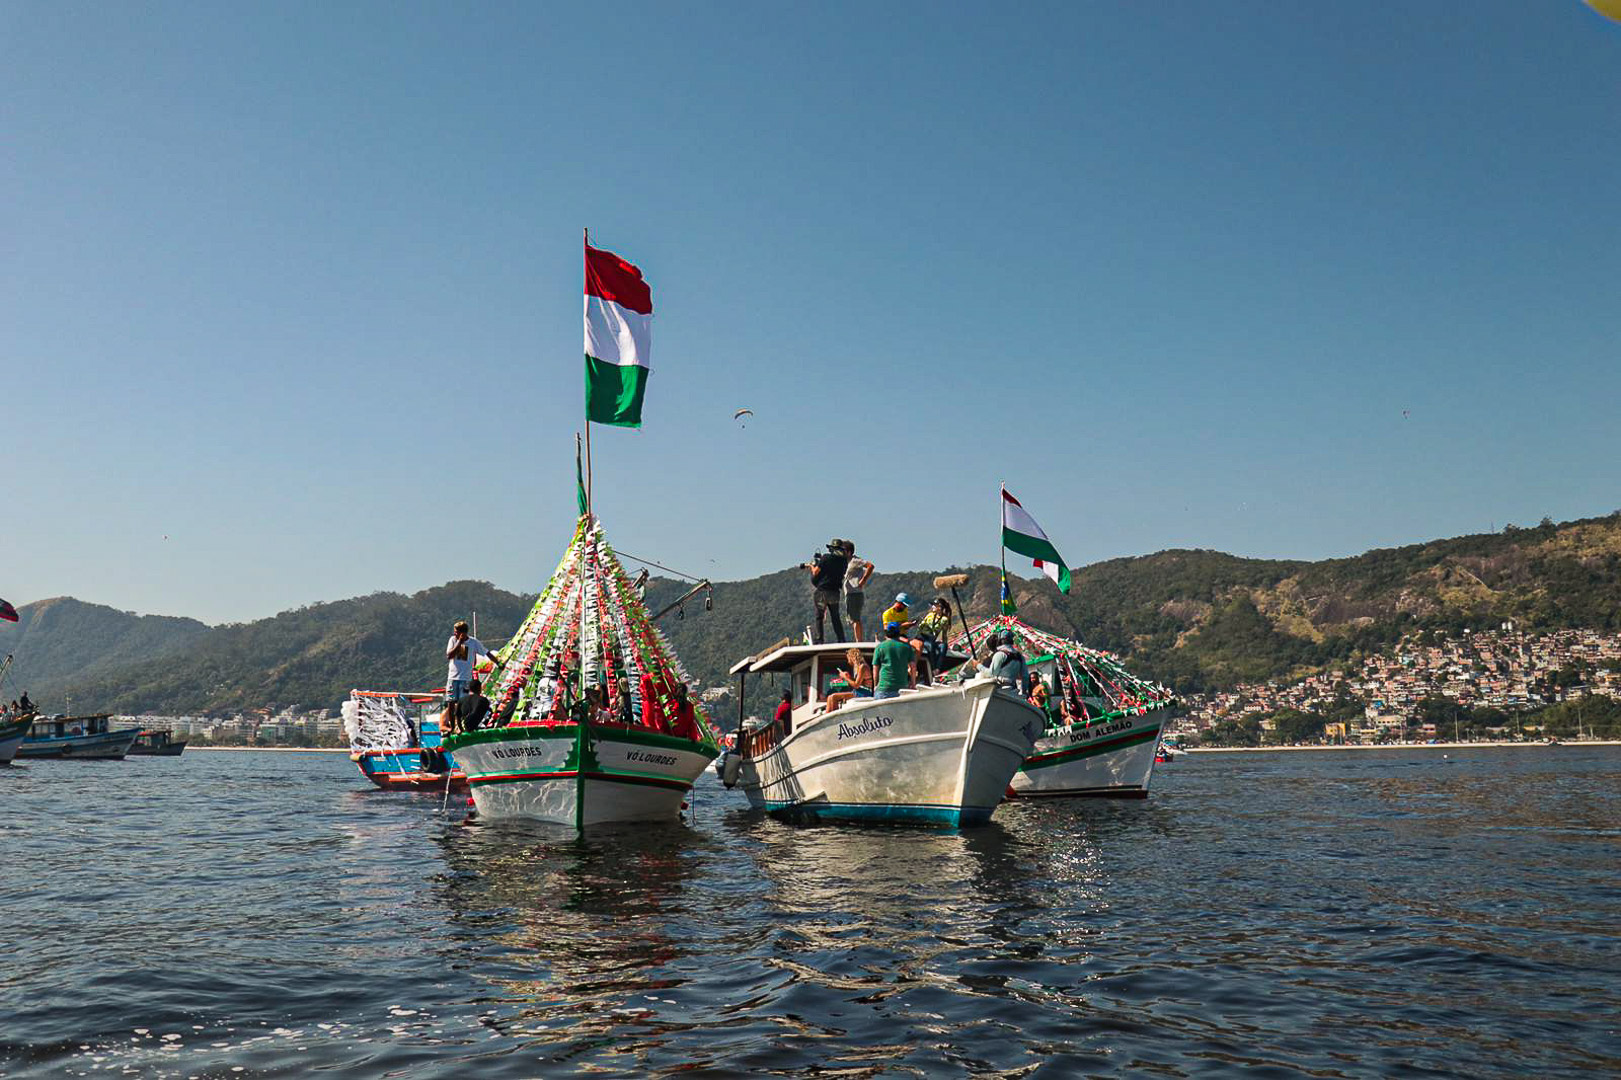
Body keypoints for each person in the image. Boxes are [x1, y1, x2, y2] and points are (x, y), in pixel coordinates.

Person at [802, 540, 851, 644]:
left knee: (819, 616)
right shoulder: (844, 561)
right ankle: (841, 639)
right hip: (835, 592)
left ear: (831, 548)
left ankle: (819, 640)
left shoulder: (826, 558)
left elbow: (815, 572)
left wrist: (811, 566)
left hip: (822, 592)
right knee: (835, 617)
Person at [445, 621, 500, 702]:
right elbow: (450, 655)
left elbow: (487, 653)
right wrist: (459, 642)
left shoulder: (473, 642)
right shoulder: (453, 640)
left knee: (462, 701)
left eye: (456, 632)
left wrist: (498, 663)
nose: (454, 634)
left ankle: (460, 715)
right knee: (451, 701)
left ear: (463, 633)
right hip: (452, 677)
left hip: (466, 678)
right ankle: (451, 715)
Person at [872, 622, 917, 700]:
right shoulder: (907, 647)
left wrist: (875, 685)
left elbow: (875, 669)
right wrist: (913, 684)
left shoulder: (880, 647)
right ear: (898, 633)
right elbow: (913, 667)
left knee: (882, 712)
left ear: (887, 633)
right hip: (902, 690)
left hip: (884, 689)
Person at [912, 598, 952, 682]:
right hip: (922, 637)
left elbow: (944, 635)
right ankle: (934, 671)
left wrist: (945, 643)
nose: (932, 606)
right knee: (931, 645)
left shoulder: (944, 620)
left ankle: (938, 669)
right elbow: (920, 628)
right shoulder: (930, 615)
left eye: (934, 605)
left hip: (931, 639)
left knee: (943, 646)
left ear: (940, 607)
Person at [823, 648, 874, 713]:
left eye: (848, 658)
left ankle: (834, 718)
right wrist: (848, 677)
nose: (848, 661)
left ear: (852, 657)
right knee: (829, 697)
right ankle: (827, 717)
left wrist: (845, 677)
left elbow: (856, 685)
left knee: (833, 697)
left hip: (864, 692)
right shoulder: (859, 667)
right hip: (859, 691)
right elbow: (859, 683)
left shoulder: (862, 667)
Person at [842, 542, 874, 642]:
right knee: (852, 618)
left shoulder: (855, 560)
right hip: (849, 593)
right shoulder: (845, 562)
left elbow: (870, 566)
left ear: (848, 552)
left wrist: (863, 580)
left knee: (855, 618)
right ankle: (858, 640)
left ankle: (858, 641)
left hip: (855, 593)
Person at [988, 632, 1031, 697]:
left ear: (1000, 641)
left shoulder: (999, 654)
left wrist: (979, 667)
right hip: (1013, 690)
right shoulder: (1020, 656)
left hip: (999, 690)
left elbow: (992, 673)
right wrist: (1024, 692)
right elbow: (1025, 676)